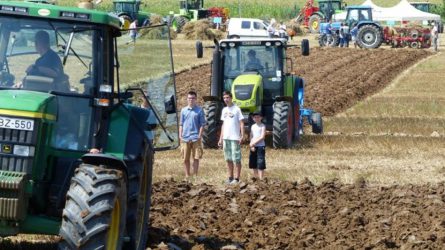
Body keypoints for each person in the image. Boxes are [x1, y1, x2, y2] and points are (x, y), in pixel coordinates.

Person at [218, 91, 244, 185]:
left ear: (231, 98)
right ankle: (230, 177)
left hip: (235, 138)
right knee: (228, 158)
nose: (226, 99)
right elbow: (223, 124)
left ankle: (237, 179)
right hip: (226, 138)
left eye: (227, 97)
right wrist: (220, 138)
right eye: (224, 98)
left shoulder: (237, 109)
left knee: (236, 159)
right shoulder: (224, 110)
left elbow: (241, 123)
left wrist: (242, 135)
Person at [179, 91, 206, 180]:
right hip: (185, 137)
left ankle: (195, 176)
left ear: (196, 99)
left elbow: (202, 124)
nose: (191, 100)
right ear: (187, 99)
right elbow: (181, 124)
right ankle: (187, 175)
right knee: (185, 158)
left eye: (193, 98)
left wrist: (199, 135)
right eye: (189, 98)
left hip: (195, 138)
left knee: (196, 157)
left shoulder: (199, 110)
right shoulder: (183, 110)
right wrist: (180, 135)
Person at [249, 112, 266, 180]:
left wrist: (254, 143)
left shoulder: (263, 126)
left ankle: (261, 178)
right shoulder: (253, 126)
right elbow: (251, 136)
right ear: (253, 118)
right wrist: (251, 144)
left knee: (260, 161)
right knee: (253, 161)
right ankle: (255, 177)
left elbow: (262, 137)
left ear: (261, 118)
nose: (257, 118)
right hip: (253, 146)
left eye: (258, 117)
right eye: (255, 117)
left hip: (260, 146)